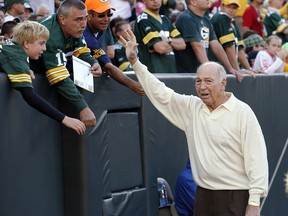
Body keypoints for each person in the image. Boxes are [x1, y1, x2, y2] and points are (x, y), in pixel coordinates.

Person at [121, 28, 269, 216]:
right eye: (198, 81)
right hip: (203, 196)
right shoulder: (192, 108)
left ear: (223, 83)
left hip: (236, 196)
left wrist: (254, 203)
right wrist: (135, 62)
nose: (202, 87)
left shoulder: (242, 112)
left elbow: (256, 158)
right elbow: (161, 93)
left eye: (208, 81)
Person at [0, 21, 86, 135]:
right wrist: (64, 119)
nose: (45, 48)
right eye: (41, 43)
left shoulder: (15, 49)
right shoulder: (15, 56)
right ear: (26, 43)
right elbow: (29, 96)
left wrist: (27, 68)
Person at [30, 0, 102, 127]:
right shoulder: (50, 34)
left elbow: (80, 50)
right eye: (79, 19)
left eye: (85, 19)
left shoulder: (72, 27)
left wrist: (92, 62)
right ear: (62, 19)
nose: (84, 24)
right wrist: (83, 107)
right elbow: (59, 77)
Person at [174, 0, 251, 82]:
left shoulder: (206, 20)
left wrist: (231, 69)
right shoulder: (186, 17)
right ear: (193, 2)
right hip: (188, 74)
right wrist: (210, 69)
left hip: (202, 73)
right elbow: (197, 46)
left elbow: (216, 44)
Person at [84, 0, 145, 96]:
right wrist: (133, 85)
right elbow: (108, 66)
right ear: (89, 16)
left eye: (109, 14)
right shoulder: (85, 34)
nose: (106, 19)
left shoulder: (103, 26)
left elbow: (110, 54)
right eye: (101, 15)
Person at [134, 0, 186, 73]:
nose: (155, 1)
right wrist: (173, 45)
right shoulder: (143, 20)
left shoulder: (165, 19)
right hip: (154, 71)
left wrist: (168, 40)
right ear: (144, 1)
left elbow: (182, 44)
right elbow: (160, 48)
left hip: (171, 69)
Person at [210, 0, 253, 72]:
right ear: (222, 6)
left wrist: (249, 69)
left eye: (234, 8)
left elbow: (239, 48)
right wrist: (237, 69)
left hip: (226, 66)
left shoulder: (232, 21)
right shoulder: (221, 17)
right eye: (228, 7)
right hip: (217, 65)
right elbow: (229, 46)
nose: (231, 10)